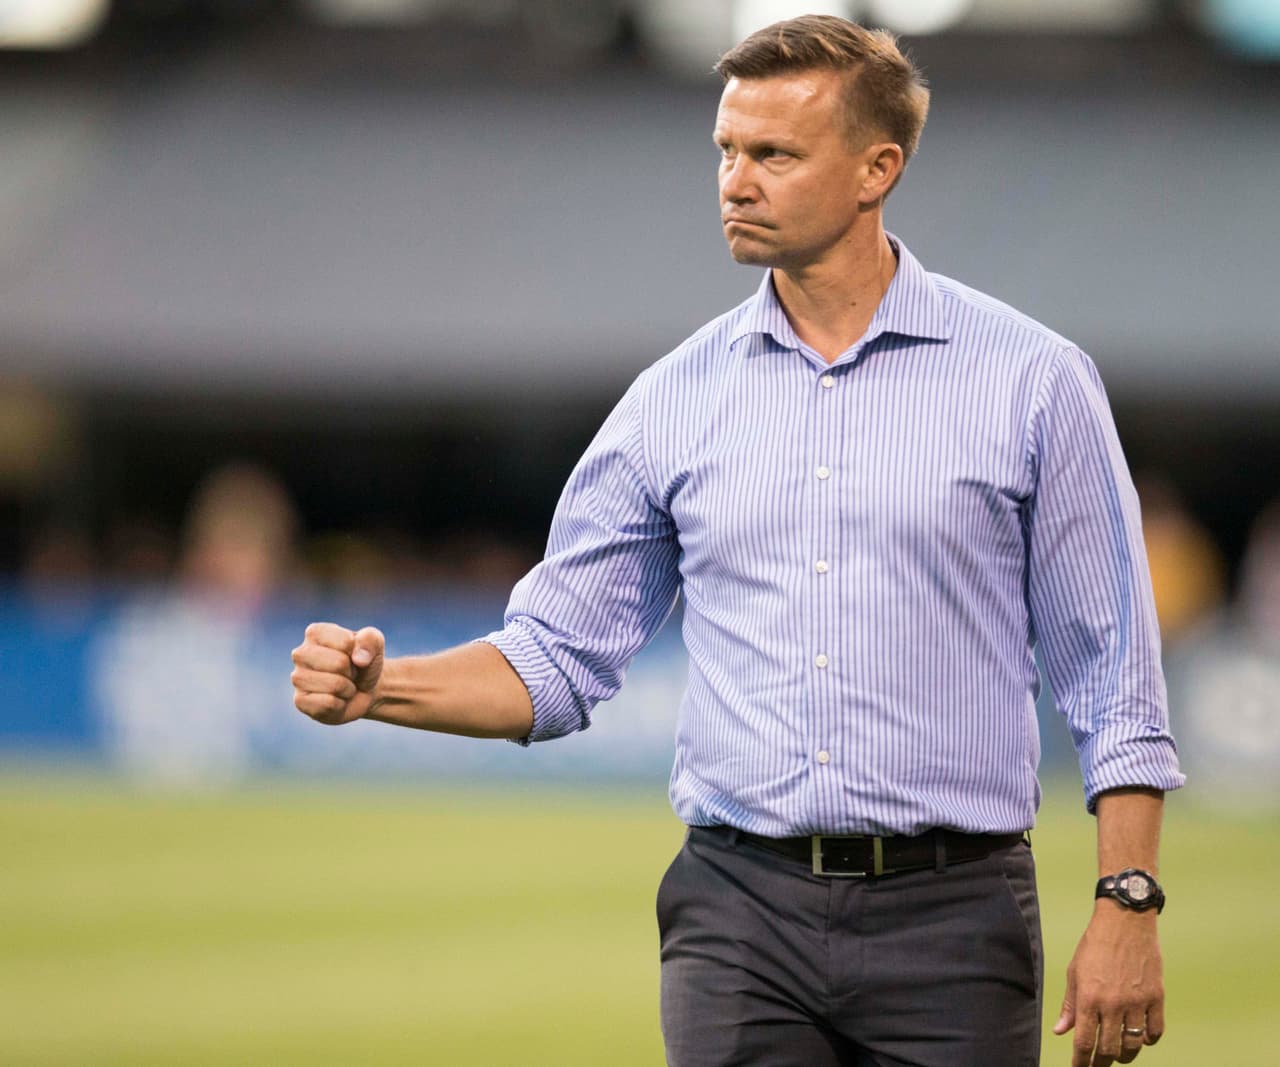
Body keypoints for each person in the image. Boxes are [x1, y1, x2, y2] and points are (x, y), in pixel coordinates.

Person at [290, 16, 1184, 1067]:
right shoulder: (671, 399)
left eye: (774, 154)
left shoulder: (1032, 381)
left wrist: (1127, 899)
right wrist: (383, 686)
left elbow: (1112, 673)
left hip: (954, 917)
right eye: (726, 150)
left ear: (876, 170)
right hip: (737, 915)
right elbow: (556, 658)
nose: (735, 181)